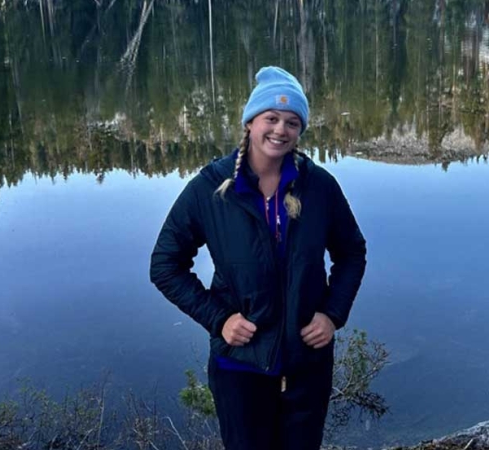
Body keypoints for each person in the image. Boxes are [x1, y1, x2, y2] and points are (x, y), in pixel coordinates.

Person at [150, 66, 367, 450]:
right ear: (250, 123)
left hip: (307, 361)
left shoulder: (319, 186)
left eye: (292, 122)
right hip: (240, 365)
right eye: (271, 118)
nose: (280, 130)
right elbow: (165, 265)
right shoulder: (211, 189)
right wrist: (219, 319)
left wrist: (332, 314)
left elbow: (351, 253)